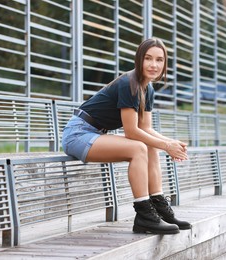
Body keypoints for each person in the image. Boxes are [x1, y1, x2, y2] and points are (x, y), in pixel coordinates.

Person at [62, 38, 191, 234]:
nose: (153, 65)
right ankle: (144, 216)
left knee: (150, 146)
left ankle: (159, 208)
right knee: (138, 147)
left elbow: (145, 128)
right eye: (148, 58)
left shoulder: (147, 88)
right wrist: (167, 146)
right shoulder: (129, 84)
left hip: (95, 135)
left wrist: (169, 142)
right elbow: (131, 132)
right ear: (139, 59)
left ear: (165, 64)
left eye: (159, 60)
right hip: (78, 134)